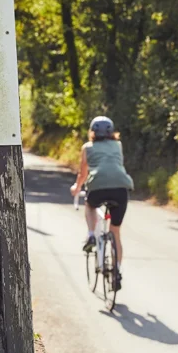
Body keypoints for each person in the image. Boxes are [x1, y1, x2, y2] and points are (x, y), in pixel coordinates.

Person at [70, 116, 133, 290]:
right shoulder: (118, 145)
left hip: (97, 187)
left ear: (92, 132)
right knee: (115, 232)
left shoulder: (87, 147)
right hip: (121, 188)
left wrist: (77, 187)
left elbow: (83, 173)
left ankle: (91, 234)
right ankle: (117, 271)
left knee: (90, 206)